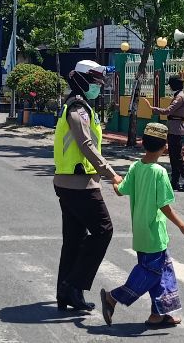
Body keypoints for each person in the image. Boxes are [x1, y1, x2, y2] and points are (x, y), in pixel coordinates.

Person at [100, 122, 184, 328]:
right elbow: (165, 206)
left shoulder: (136, 166)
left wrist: (114, 180)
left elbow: (120, 190)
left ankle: (159, 313)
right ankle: (114, 297)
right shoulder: (159, 172)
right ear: (165, 147)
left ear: (143, 143)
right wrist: (182, 226)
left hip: (141, 232)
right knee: (151, 273)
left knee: (162, 273)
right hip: (154, 234)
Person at [54, 59, 123, 312]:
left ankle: (67, 294)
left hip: (69, 182)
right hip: (80, 183)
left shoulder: (78, 105)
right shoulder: (77, 107)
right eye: (95, 80)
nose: (99, 85)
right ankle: (72, 285)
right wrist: (111, 173)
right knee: (104, 230)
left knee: (74, 239)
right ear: (83, 80)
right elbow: (85, 144)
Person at [144, 75, 184, 191]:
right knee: (173, 157)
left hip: (176, 130)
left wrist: (153, 108)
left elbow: (168, 111)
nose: (169, 87)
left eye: (170, 84)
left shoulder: (179, 98)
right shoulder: (178, 96)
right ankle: (174, 181)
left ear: (174, 85)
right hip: (173, 129)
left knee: (177, 157)